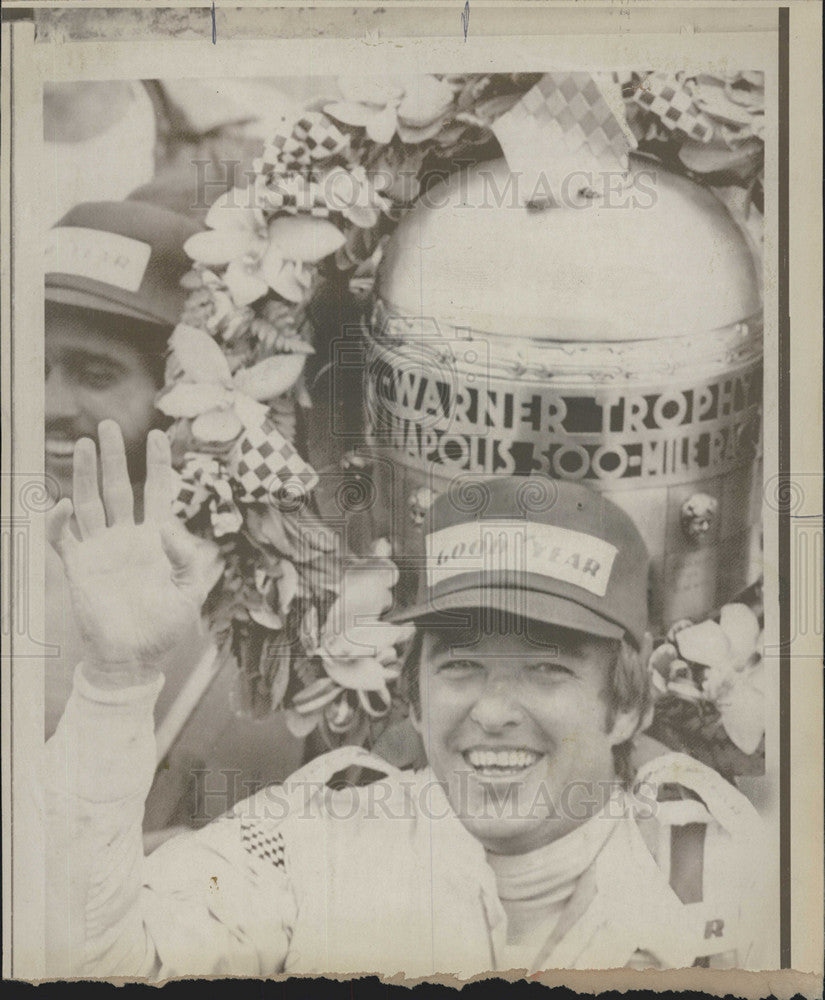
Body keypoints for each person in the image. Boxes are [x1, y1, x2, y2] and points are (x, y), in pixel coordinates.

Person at [43, 426, 770, 977]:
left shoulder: (728, 874)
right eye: (459, 666)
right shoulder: (314, 841)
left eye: (546, 668)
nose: (491, 710)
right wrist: (114, 681)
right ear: (414, 697)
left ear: (625, 709)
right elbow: (87, 959)